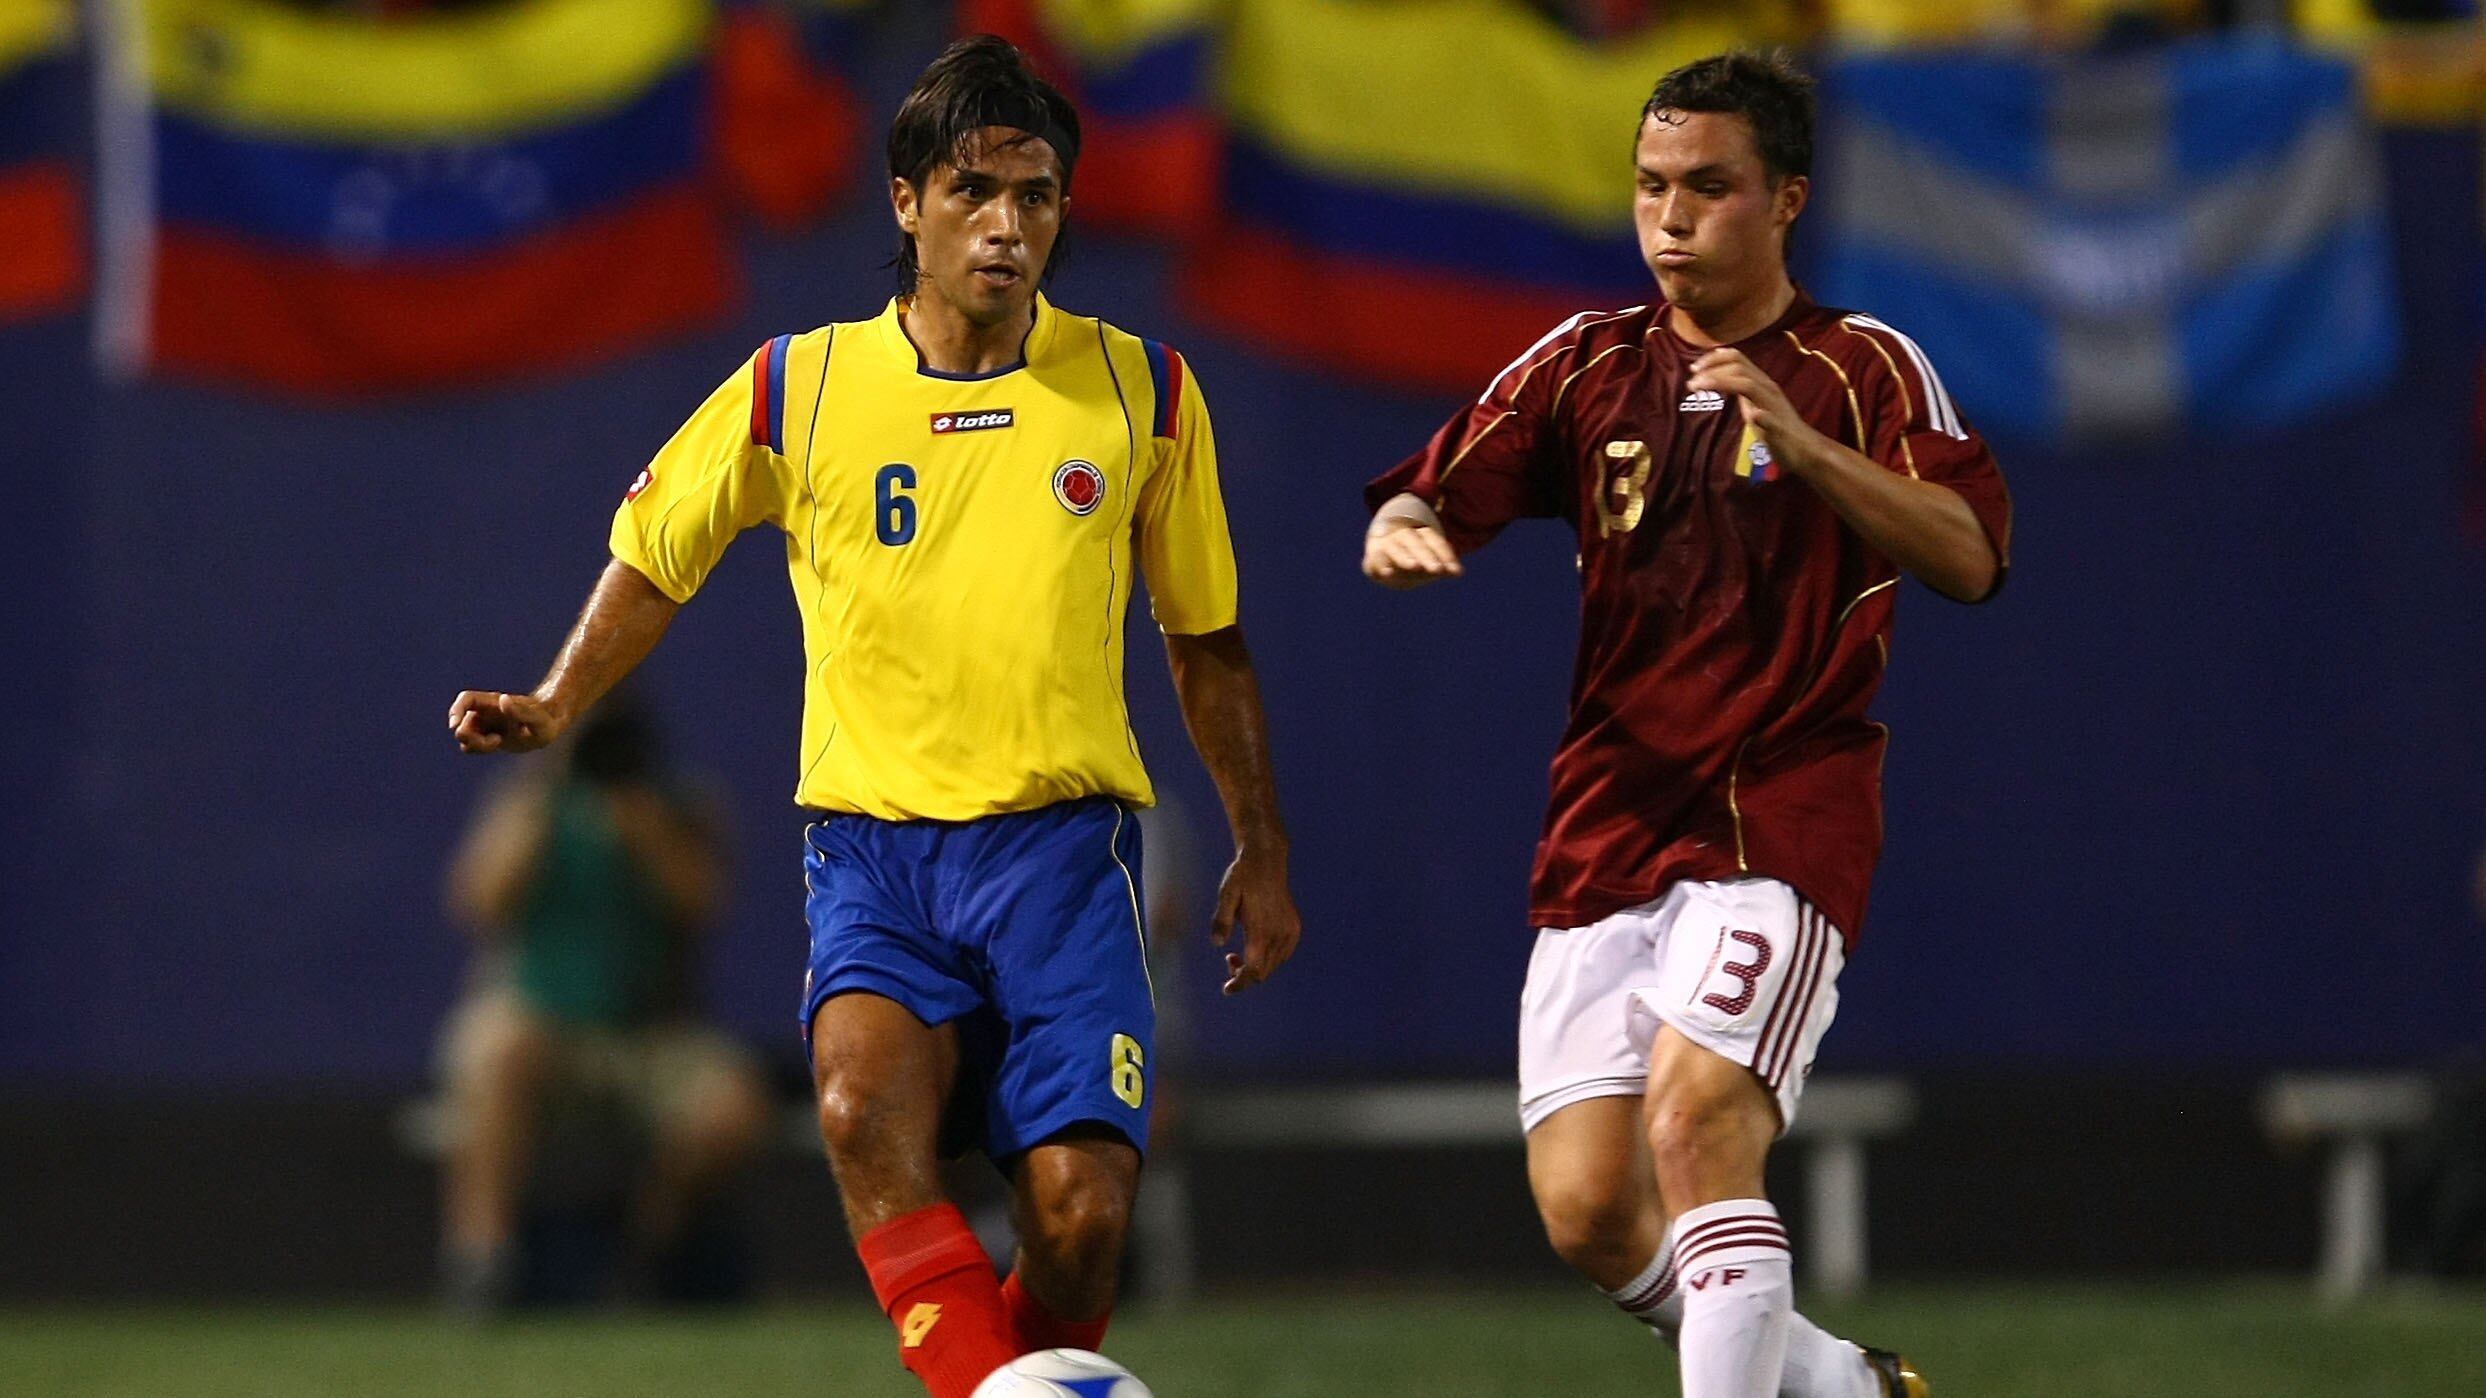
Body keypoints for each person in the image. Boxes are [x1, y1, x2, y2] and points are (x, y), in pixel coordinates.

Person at [446, 35, 1300, 1398]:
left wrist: (1260, 842)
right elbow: (659, 551)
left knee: (1079, 1222)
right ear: (906, 203)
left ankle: (1008, 1374)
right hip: (876, 859)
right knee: (855, 1108)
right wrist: (555, 702)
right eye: (974, 191)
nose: (1007, 226)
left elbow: (1205, 640)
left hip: (1062, 858)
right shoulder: (800, 384)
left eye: (1035, 196)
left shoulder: (1143, 390)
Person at [1360, 52, 2009, 1398]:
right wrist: (1402, 524)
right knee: (1588, 1207)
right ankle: (1835, 1381)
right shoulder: (1588, 363)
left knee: (1696, 1122)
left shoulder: (1860, 366)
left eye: (1705, 188)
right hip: (1608, 827)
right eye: (1650, 185)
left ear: (1783, 200)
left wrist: (1806, 446)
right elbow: (1432, 491)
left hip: (1777, 816)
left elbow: (1969, 553)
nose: (1668, 216)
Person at [437, 692, 771, 1313]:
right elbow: (479, 901)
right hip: (547, 1023)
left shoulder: (679, 802)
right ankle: (482, 1262)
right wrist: (541, 792)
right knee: (492, 1051)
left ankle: (647, 1246)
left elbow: (702, 904)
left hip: (655, 1032)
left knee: (730, 1106)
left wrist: (643, 827)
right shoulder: (530, 804)